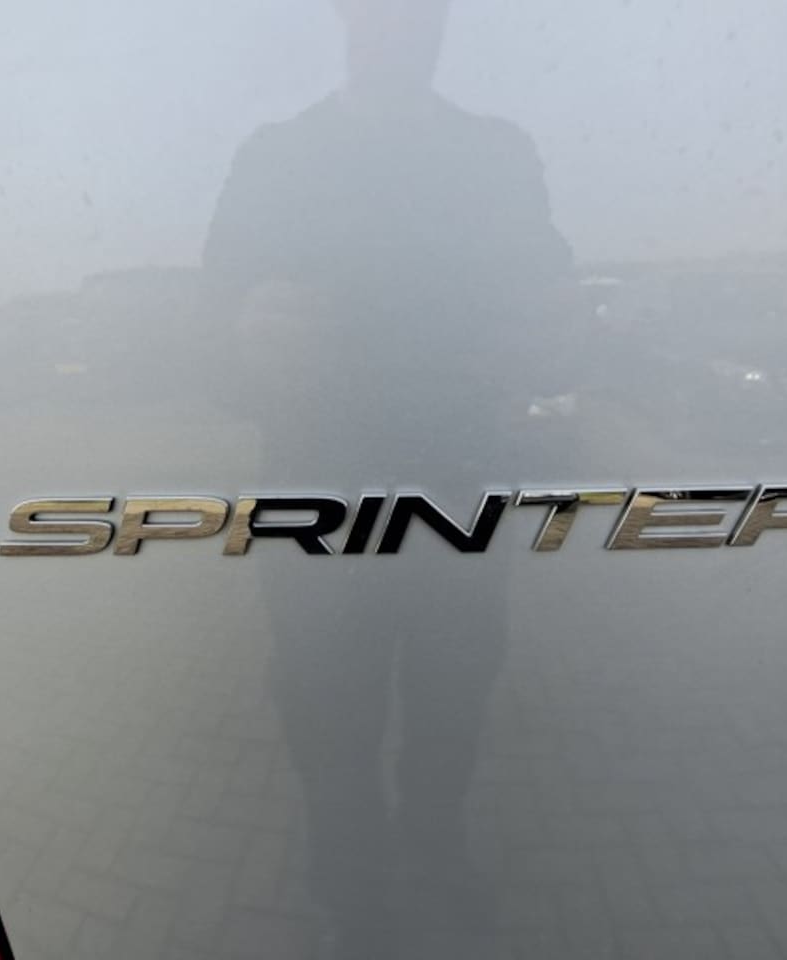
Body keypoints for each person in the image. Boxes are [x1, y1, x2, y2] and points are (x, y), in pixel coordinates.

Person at [203, 1, 574, 955]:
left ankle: (435, 851)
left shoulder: (495, 155)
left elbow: (550, 295)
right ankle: (350, 880)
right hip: (317, 499)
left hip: (457, 491)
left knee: (453, 702)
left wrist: (545, 326)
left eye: (421, 9)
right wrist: (243, 335)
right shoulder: (277, 158)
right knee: (326, 715)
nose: (402, 21)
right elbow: (208, 334)